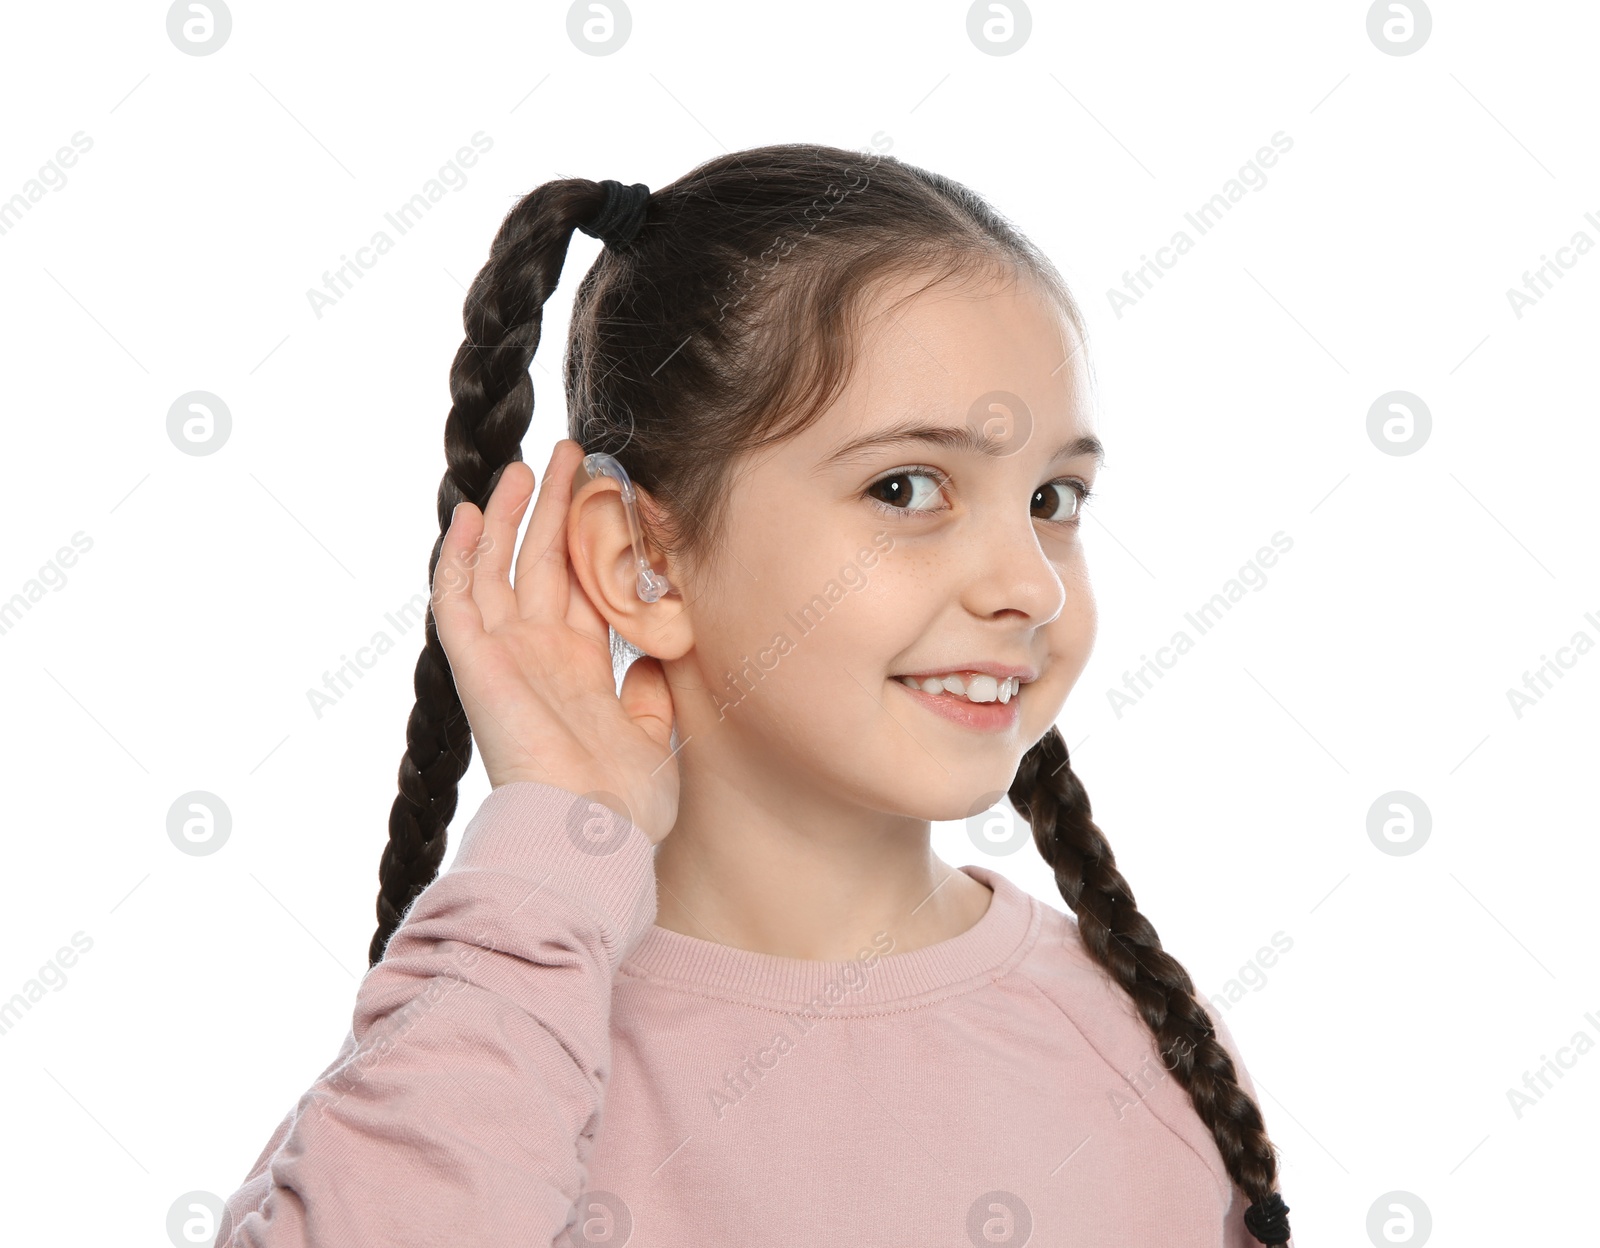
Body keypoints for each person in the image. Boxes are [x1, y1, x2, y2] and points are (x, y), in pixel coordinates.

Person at [215, 143, 1293, 1247]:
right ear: (641, 560)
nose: (1026, 583)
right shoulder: (492, 1045)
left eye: (1053, 497)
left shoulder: (1147, 1053)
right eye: (907, 488)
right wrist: (553, 839)